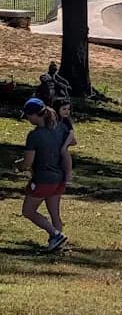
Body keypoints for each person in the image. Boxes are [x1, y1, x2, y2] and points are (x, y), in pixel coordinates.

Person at [14, 97, 70, 251]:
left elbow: (27, 163)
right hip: (59, 179)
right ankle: (57, 243)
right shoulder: (60, 128)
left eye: (28, 116)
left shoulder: (34, 135)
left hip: (43, 179)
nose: (28, 119)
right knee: (54, 214)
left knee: (28, 211)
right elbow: (67, 146)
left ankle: (55, 234)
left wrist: (19, 166)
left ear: (35, 115)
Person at [53, 95, 77, 187]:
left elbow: (71, 134)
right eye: (64, 109)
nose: (67, 111)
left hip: (63, 144)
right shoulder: (52, 120)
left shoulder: (66, 121)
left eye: (68, 109)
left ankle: (68, 175)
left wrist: (64, 146)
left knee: (65, 153)